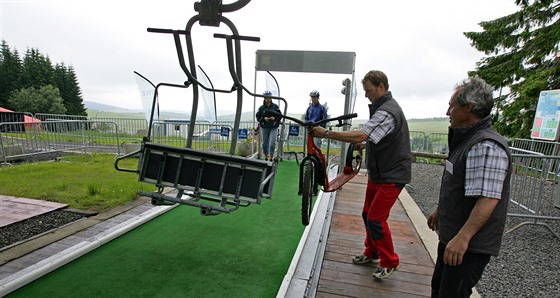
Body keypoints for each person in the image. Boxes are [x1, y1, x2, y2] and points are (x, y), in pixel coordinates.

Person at [310, 70, 411, 280]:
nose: (366, 95)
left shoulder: (387, 111)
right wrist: (365, 144)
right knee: (367, 215)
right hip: (380, 173)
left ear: (381, 87)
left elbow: (363, 132)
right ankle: (372, 253)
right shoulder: (383, 108)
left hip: (392, 176)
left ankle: (390, 261)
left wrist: (327, 133)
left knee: (375, 218)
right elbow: (378, 136)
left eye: (369, 90)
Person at [427, 77, 511, 297]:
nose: (448, 112)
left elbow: (488, 199)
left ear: (469, 108)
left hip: (467, 246)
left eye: (452, 106)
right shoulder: (468, 140)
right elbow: (463, 186)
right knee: (440, 288)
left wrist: (463, 238)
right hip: (453, 238)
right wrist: (441, 211)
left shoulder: (485, 146)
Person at [255, 90, 281, 161]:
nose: (267, 99)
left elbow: (280, 116)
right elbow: (257, 117)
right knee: (264, 143)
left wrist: (274, 118)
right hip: (264, 127)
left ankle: (271, 156)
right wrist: (264, 118)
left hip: (273, 127)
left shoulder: (275, 107)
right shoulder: (261, 108)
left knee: (272, 143)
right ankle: (266, 156)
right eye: (266, 97)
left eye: (269, 97)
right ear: (264, 98)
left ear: (271, 98)